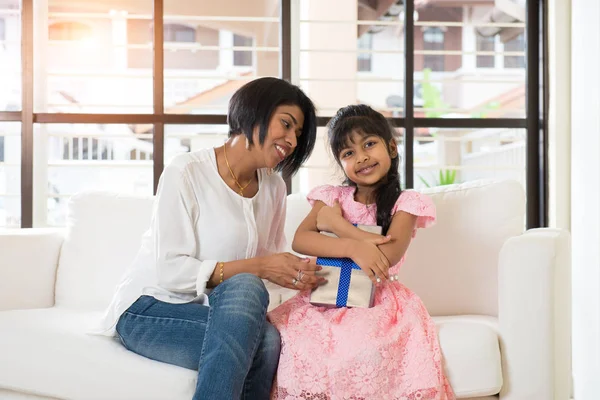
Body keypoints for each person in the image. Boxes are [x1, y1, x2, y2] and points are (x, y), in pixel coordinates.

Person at [93, 77, 323, 400]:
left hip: (216, 312)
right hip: (149, 308)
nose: (292, 140)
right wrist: (260, 267)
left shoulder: (274, 188)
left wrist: (301, 275)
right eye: (286, 124)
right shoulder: (185, 172)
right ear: (254, 112)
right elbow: (170, 271)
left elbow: (272, 270)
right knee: (247, 289)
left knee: (269, 338)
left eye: (298, 134)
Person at [268, 104, 455, 400]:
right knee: (289, 339)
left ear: (391, 148)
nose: (362, 157)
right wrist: (352, 242)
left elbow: (387, 256)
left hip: (377, 299)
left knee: (362, 346)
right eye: (348, 153)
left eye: (369, 144)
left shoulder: (405, 203)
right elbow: (302, 240)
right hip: (325, 292)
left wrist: (338, 225)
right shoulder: (332, 197)